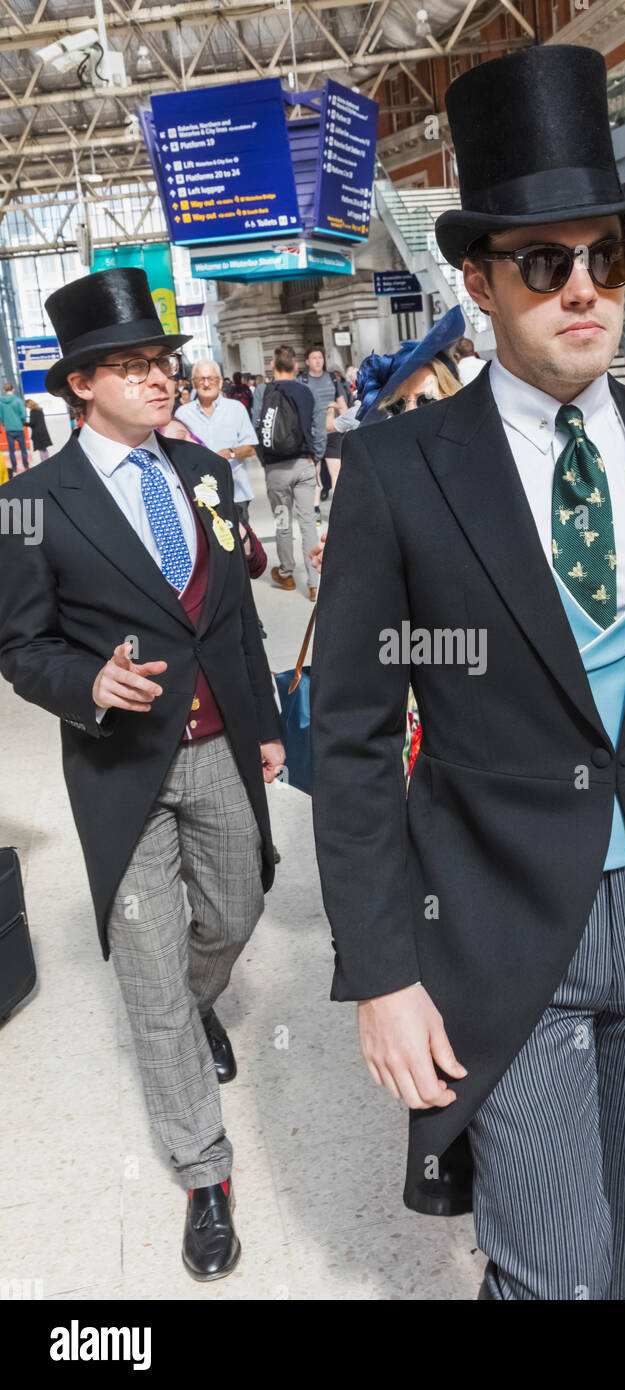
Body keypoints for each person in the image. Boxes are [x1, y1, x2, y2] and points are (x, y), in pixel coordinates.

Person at [310, 44, 625, 1303]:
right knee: (556, 1276)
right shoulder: (396, 469)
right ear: (479, 280)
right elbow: (353, 740)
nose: (584, 290)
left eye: (608, 257)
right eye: (545, 264)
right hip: (495, 930)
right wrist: (380, 972)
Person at [0, 267, 285, 1280]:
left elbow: (236, 619)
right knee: (152, 978)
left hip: (217, 746)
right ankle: (203, 1172)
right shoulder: (29, 503)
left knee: (238, 905)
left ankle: (204, 1000)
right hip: (118, 765)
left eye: (163, 364)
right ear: (81, 384)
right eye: (133, 368)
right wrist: (89, 683)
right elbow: (18, 643)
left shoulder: (205, 473)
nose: (161, 381)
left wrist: (265, 726)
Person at [259, 344, 319, 602]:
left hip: (276, 468)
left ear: (273, 365)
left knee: (283, 523)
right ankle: (315, 583)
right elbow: (311, 428)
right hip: (303, 464)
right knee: (308, 523)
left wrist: (266, 461)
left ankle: (286, 573)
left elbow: (257, 428)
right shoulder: (305, 392)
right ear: (296, 366)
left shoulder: (264, 391)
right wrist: (314, 457)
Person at [175, 360, 258, 525]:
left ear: (220, 381)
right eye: (201, 379)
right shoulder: (182, 415)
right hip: (198, 497)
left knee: (243, 546)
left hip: (235, 493)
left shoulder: (236, 409)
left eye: (211, 379)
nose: (206, 384)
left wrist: (231, 453)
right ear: (193, 383)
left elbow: (250, 448)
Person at [296, 346, 349, 502]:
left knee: (337, 474)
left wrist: (348, 424)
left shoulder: (333, 378)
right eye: (314, 358)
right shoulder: (302, 381)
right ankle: (316, 510)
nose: (318, 361)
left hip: (333, 432)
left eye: (320, 358)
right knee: (314, 474)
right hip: (312, 433)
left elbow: (342, 404)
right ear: (307, 361)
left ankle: (339, 508)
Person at [1, 382, 29, 473]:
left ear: (5, 390)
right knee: (23, 449)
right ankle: (26, 466)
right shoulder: (18, 401)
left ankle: (14, 468)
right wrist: (22, 422)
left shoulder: (1, 402)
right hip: (19, 428)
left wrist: (5, 424)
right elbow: (23, 415)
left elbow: (0, 416)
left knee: (11, 450)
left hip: (8, 429)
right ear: (12, 389)